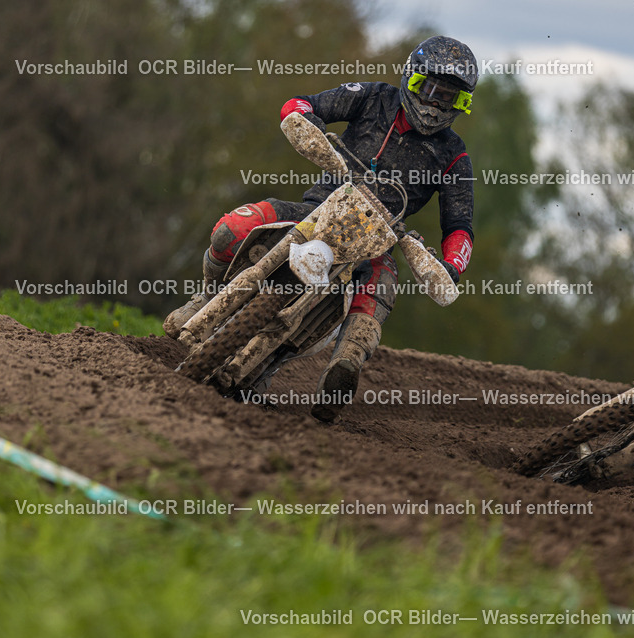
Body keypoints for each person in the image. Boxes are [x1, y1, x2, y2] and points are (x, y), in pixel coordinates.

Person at [165, 35, 479, 422]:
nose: (434, 103)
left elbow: (460, 225)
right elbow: (304, 103)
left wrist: (451, 265)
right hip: (316, 209)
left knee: (376, 298)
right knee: (229, 232)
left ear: (460, 104)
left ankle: (340, 372)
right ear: (410, 78)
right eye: (428, 89)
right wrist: (305, 119)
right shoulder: (372, 97)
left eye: (447, 97)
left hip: (376, 244)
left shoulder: (454, 155)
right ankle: (207, 296)